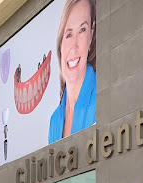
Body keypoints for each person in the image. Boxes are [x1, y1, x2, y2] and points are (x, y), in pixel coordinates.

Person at [48, 0, 96, 144]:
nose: (74, 46)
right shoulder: (54, 120)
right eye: (69, 34)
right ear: (61, 44)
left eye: (82, 30)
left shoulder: (103, 98)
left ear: (91, 34)